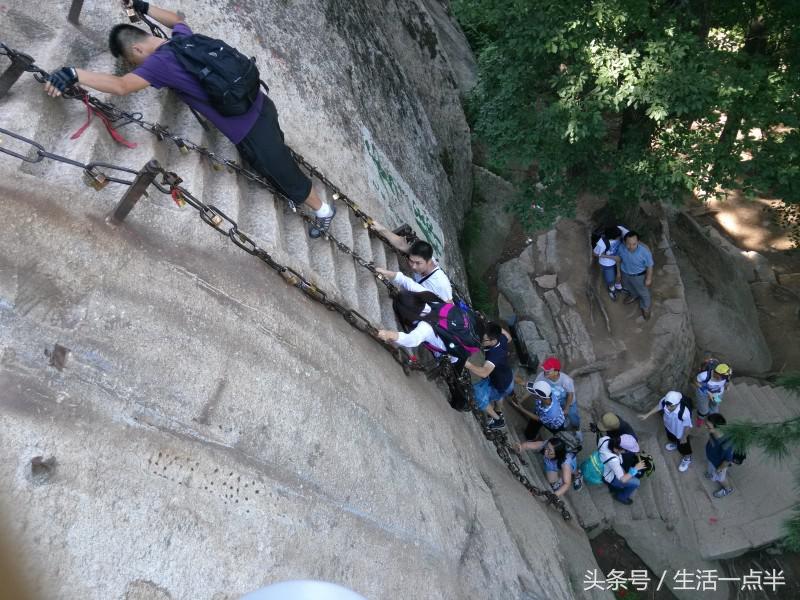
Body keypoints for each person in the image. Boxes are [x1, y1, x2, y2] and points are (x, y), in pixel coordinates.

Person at [43, 1, 336, 239]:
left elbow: (122, 86)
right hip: (260, 102)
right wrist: (143, 6)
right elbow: (177, 18)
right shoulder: (185, 41)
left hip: (248, 129)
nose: (137, 67)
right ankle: (279, 165)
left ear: (137, 50)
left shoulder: (160, 64)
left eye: (134, 62)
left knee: (288, 176)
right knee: (272, 152)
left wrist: (75, 74)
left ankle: (323, 211)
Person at [376, 291, 467, 369]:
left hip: (454, 354)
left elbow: (411, 340)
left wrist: (389, 334)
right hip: (459, 339)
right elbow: (412, 285)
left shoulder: (425, 327)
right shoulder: (431, 303)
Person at [464, 322, 514, 430]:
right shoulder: (501, 337)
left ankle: (498, 420)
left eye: (484, 340)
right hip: (507, 377)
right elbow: (509, 337)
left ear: (493, 340)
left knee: (477, 395)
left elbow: (484, 372)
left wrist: (468, 364)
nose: (481, 341)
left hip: (500, 383)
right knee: (499, 395)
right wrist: (493, 327)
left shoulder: (495, 354)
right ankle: (498, 411)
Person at [374, 240, 453, 303]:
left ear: (429, 262)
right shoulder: (422, 257)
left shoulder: (441, 284)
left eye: (418, 263)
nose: (413, 266)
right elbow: (402, 245)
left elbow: (449, 306)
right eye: (411, 261)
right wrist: (381, 228)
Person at [639, 391, 694, 472]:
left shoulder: (684, 412)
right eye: (667, 405)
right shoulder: (665, 401)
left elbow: (688, 426)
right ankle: (676, 444)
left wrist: (684, 437)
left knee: (684, 447)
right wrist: (647, 415)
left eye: (671, 406)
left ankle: (687, 458)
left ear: (677, 404)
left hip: (680, 433)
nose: (667, 408)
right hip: (669, 427)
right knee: (671, 438)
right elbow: (659, 406)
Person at [515, 437, 582, 495]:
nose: (545, 451)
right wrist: (520, 447)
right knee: (552, 481)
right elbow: (529, 445)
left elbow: (567, 483)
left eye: (549, 451)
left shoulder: (566, 463)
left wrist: (555, 495)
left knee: (571, 470)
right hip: (552, 462)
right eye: (546, 447)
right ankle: (563, 476)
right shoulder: (548, 444)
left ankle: (577, 474)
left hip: (564, 464)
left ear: (557, 454)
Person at [614, 230, 654, 320]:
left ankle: (645, 307)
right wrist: (619, 273)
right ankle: (633, 295)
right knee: (628, 286)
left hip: (639, 276)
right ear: (624, 242)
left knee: (644, 293)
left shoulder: (645, 252)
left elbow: (650, 265)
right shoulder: (621, 248)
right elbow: (618, 259)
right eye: (628, 244)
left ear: (638, 242)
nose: (631, 247)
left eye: (634, 244)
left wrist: (648, 278)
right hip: (625, 273)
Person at [534, 357, 579, 430]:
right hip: (554, 401)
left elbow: (570, 394)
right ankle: (563, 419)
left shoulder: (566, 380)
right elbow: (536, 386)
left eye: (548, 371)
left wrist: (567, 408)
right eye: (545, 370)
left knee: (573, 415)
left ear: (556, 372)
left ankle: (576, 428)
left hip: (566, 400)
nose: (545, 372)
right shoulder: (542, 376)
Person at [601, 436, 646, 505]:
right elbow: (623, 479)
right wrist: (635, 469)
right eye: (627, 450)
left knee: (626, 471)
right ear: (616, 450)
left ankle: (617, 488)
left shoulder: (605, 439)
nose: (628, 452)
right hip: (608, 475)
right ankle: (622, 497)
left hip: (605, 465)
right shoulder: (614, 460)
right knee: (636, 482)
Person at [592, 225, 629, 300]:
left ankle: (618, 286)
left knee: (619, 274)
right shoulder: (602, 243)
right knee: (610, 278)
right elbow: (595, 254)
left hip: (617, 259)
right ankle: (611, 288)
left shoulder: (618, 233)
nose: (620, 237)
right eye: (619, 236)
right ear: (614, 236)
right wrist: (611, 257)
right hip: (607, 264)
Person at [693, 362, 732, 427]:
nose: (723, 378)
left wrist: (727, 386)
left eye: (725, 377)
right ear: (716, 373)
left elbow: (727, 381)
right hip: (703, 393)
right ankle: (700, 418)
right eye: (722, 376)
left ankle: (712, 419)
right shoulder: (704, 375)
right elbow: (695, 381)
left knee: (715, 405)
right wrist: (708, 392)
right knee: (704, 410)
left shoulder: (726, 376)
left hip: (717, 394)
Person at [705, 413, 734, 498]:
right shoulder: (713, 433)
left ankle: (728, 489)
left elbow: (727, 460)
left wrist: (719, 469)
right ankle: (712, 473)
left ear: (717, 428)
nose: (705, 427)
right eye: (706, 425)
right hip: (712, 459)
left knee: (721, 478)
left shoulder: (726, 445)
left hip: (718, 465)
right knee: (712, 471)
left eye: (708, 427)